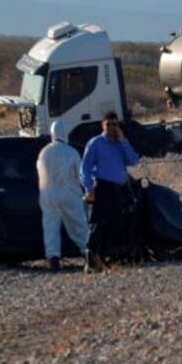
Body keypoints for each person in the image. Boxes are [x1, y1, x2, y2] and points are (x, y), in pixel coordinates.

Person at [80, 112, 141, 271]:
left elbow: (133, 160)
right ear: (103, 125)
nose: (112, 127)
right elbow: (85, 167)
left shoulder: (120, 144)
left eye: (115, 124)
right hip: (102, 187)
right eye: (109, 124)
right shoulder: (96, 143)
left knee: (115, 222)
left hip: (119, 189)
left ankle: (103, 255)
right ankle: (90, 257)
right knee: (97, 223)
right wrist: (89, 189)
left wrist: (123, 141)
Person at [36, 120, 89, 271]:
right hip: (69, 194)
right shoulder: (70, 152)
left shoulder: (44, 151)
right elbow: (81, 176)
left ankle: (53, 259)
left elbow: (40, 172)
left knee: (50, 227)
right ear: (66, 133)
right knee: (79, 225)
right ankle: (89, 254)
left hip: (47, 195)